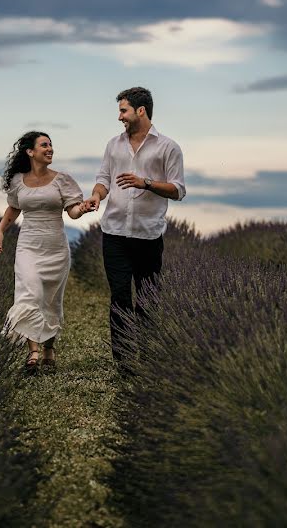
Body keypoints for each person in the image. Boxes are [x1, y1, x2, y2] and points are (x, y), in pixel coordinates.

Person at [82, 87, 186, 370]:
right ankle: (124, 363)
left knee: (148, 298)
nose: (119, 117)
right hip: (114, 231)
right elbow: (103, 179)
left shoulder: (168, 147)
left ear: (141, 111)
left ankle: (149, 358)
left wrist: (146, 183)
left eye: (123, 110)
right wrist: (97, 195)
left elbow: (178, 190)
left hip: (148, 234)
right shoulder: (113, 145)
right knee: (119, 295)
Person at [0, 131, 93, 371]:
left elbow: (72, 212)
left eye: (51, 145)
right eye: (44, 145)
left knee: (50, 302)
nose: (50, 149)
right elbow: (13, 209)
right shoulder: (18, 181)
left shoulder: (62, 180)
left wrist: (84, 208)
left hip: (56, 248)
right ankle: (33, 352)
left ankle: (48, 348)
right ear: (30, 152)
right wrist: (0, 231)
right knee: (31, 294)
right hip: (28, 247)